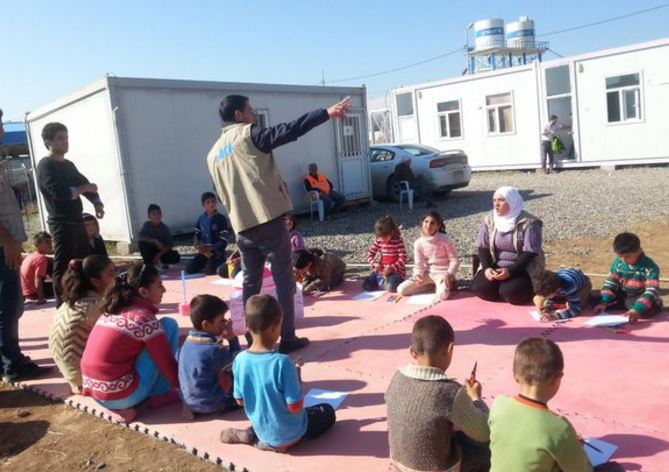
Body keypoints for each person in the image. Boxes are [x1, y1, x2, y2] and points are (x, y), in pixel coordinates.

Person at [206, 94, 350, 353]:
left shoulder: (213, 154)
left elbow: (220, 192)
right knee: (284, 278)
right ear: (239, 115)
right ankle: (288, 337)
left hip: (242, 225)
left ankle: (253, 339)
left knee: (250, 282)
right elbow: (290, 130)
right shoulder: (249, 135)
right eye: (250, 111)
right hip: (268, 218)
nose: (253, 116)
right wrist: (326, 113)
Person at [220, 294, 335, 451]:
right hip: (291, 433)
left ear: (247, 326)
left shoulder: (239, 359)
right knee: (327, 411)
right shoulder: (283, 362)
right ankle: (278, 444)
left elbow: (240, 400)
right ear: (274, 328)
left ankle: (252, 433)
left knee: (268, 412)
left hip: (262, 428)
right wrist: (296, 374)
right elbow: (295, 406)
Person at [386, 315, 490, 472]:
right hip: (438, 468)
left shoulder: (397, 377)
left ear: (412, 352)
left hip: (399, 462)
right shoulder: (449, 391)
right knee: (488, 446)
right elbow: (484, 431)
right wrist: (476, 399)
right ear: (449, 349)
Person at [81, 262, 180, 424]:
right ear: (143, 291)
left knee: (150, 338)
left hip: (96, 394)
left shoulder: (113, 310)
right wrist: (185, 389)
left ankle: (122, 402)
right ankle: (159, 394)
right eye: (159, 285)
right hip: (121, 396)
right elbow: (165, 361)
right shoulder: (143, 317)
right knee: (168, 325)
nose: (164, 290)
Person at [489, 337, 592, 472]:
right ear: (557, 380)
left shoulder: (499, 404)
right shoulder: (559, 428)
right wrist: (574, 446)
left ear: (515, 375)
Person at [36, 122, 104, 307]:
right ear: (48, 141)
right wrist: (83, 188)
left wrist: (97, 202)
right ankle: (63, 305)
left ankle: (83, 300)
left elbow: (83, 182)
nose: (65, 142)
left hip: (77, 221)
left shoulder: (68, 165)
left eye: (66, 138)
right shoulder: (45, 166)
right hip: (61, 223)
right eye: (60, 138)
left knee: (83, 262)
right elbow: (61, 193)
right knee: (64, 264)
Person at [1, 157, 52, 382]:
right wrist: (8, 241)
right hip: (3, 247)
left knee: (8, 307)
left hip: (6, 244)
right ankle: (11, 365)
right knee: (8, 307)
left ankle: (9, 361)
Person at [49, 256, 115, 394]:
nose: (116, 277)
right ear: (95, 281)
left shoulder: (72, 302)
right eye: (111, 273)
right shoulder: (95, 306)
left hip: (73, 376)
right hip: (86, 380)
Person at [471, 186, 545, 305]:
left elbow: (530, 252)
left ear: (512, 201)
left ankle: (517, 288)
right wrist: (487, 268)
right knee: (479, 288)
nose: (496, 204)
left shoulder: (530, 222)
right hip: (496, 265)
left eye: (501, 200)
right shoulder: (489, 220)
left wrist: (510, 271)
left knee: (510, 293)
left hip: (522, 267)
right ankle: (499, 288)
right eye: (494, 200)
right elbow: (482, 246)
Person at [179, 294, 241, 419]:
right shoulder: (214, 349)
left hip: (189, 399)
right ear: (206, 325)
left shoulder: (187, 341)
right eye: (221, 321)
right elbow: (239, 365)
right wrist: (233, 340)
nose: (224, 324)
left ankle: (192, 406)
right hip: (212, 404)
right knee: (250, 388)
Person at [594, 232, 662, 323]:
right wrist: (604, 301)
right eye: (620, 256)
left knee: (641, 310)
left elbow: (652, 290)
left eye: (627, 256)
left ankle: (654, 304)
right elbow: (610, 283)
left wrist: (637, 309)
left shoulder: (649, 267)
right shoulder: (618, 263)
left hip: (638, 296)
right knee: (594, 299)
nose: (624, 260)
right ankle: (619, 305)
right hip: (623, 294)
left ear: (639, 251)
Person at [397, 211, 459, 303]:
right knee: (401, 290)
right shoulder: (418, 243)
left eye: (432, 223)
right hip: (428, 273)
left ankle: (446, 284)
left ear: (438, 226)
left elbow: (454, 260)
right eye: (426, 222)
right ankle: (430, 285)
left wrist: (449, 274)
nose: (428, 225)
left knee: (443, 295)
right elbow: (419, 264)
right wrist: (418, 275)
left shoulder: (445, 239)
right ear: (422, 223)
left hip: (443, 274)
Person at [185, 192, 232, 276]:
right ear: (203, 205)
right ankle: (207, 263)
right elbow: (197, 233)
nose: (211, 204)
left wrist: (211, 248)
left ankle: (221, 260)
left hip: (217, 252)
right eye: (208, 202)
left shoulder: (221, 219)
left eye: (213, 201)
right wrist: (196, 243)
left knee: (209, 271)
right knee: (189, 269)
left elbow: (224, 240)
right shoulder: (201, 218)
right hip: (204, 252)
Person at [362, 216, 407, 293]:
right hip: (381, 271)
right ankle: (383, 282)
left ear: (391, 232)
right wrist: (374, 263)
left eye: (385, 236)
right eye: (380, 236)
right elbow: (370, 254)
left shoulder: (398, 241)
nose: (383, 239)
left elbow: (403, 259)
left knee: (391, 288)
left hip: (395, 272)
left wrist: (391, 267)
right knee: (367, 286)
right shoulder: (379, 241)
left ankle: (386, 283)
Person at [138, 204, 181, 269]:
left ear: (161, 215)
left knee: (175, 256)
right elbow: (140, 237)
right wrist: (154, 240)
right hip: (151, 250)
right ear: (149, 217)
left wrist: (159, 254)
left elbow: (169, 245)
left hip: (161, 251)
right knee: (142, 244)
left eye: (158, 213)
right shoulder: (146, 225)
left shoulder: (165, 228)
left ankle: (161, 262)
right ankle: (149, 264)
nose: (157, 216)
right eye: (154, 214)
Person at [20, 231, 54, 304]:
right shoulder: (41, 258)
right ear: (38, 244)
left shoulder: (31, 255)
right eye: (47, 242)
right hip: (33, 293)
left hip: (25, 292)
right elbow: (38, 279)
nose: (50, 244)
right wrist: (41, 298)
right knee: (61, 288)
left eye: (50, 242)